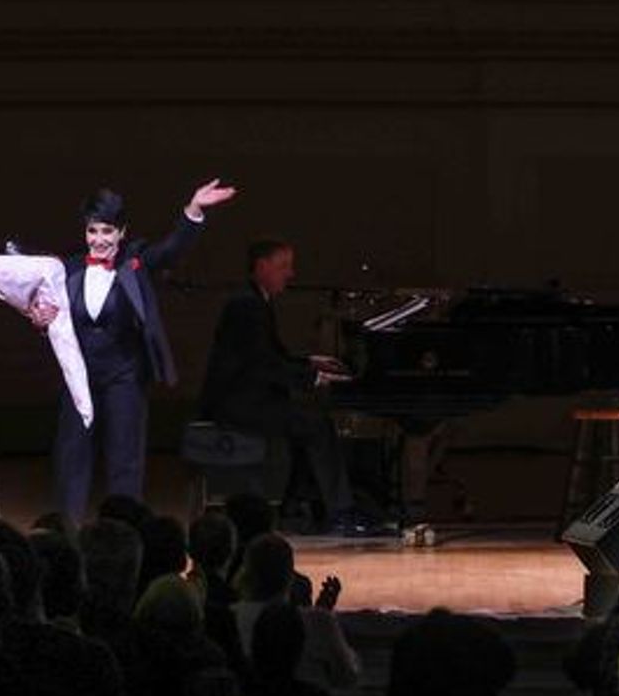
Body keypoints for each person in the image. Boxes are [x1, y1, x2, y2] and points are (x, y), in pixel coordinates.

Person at [28, 179, 236, 521]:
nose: (99, 239)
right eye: (92, 231)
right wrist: (40, 318)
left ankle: (124, 532)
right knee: (71, 456)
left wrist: (194, 209)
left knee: (125, 459)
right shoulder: (69, 269)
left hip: (124, 375)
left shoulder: (135, 262)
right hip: (78, 376)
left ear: (122, 232)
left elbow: (171, 250)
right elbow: (48, 314)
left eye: (107, 231)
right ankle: (67, 531)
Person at [199, 239, 374, 533]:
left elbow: (271, 356)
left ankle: (298, 504)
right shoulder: (247, 305)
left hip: (247, 399)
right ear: (262, 267)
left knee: (308, 425)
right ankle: (340, 511)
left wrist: (310, 362)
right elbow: (262, 365)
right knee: (317, 427)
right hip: (239, 406)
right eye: (284, 267)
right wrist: (313, 377)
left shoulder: (253, 300)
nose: (290, 274)